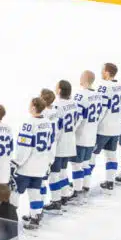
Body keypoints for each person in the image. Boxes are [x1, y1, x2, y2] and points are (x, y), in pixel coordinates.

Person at [11, 97, 54, 230]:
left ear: (34, 108)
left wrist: (16, 162)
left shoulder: (29, 124)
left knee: (15, 192)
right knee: (35, 192)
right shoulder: (48, 122)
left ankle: (10, 219)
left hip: (26, 167)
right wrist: (48, 162)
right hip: (41, 166)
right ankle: (35, 218)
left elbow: (25, 147)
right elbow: (51, 144)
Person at [71, 70, 103, 200]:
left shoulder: (80, 95)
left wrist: (71, 131)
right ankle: (85, 187)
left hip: (80, 136)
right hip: (91, 135)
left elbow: (78, 117)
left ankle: (77, 192)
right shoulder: (98, 95)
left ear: (84, 80)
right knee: (86, 164)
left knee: (76, 165)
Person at [44, 81, 77, 210]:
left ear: (59, 91)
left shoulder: (56, 106)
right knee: (62, 172)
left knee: (54, 174)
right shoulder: (74, 103)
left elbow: (55, 127)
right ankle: (64, 195)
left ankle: (56, 201)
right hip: (70, 141)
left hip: (59, 145)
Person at [93, 63, 121, 190]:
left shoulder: (104, 87)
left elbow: (102, 109)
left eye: (102, 70)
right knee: (111, 155)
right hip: (116, 127)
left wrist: (94, 124)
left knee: (91, 156)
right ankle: (110, 182)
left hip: (104, 128)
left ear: (107, 72)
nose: (101, 72)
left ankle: (82, 184)